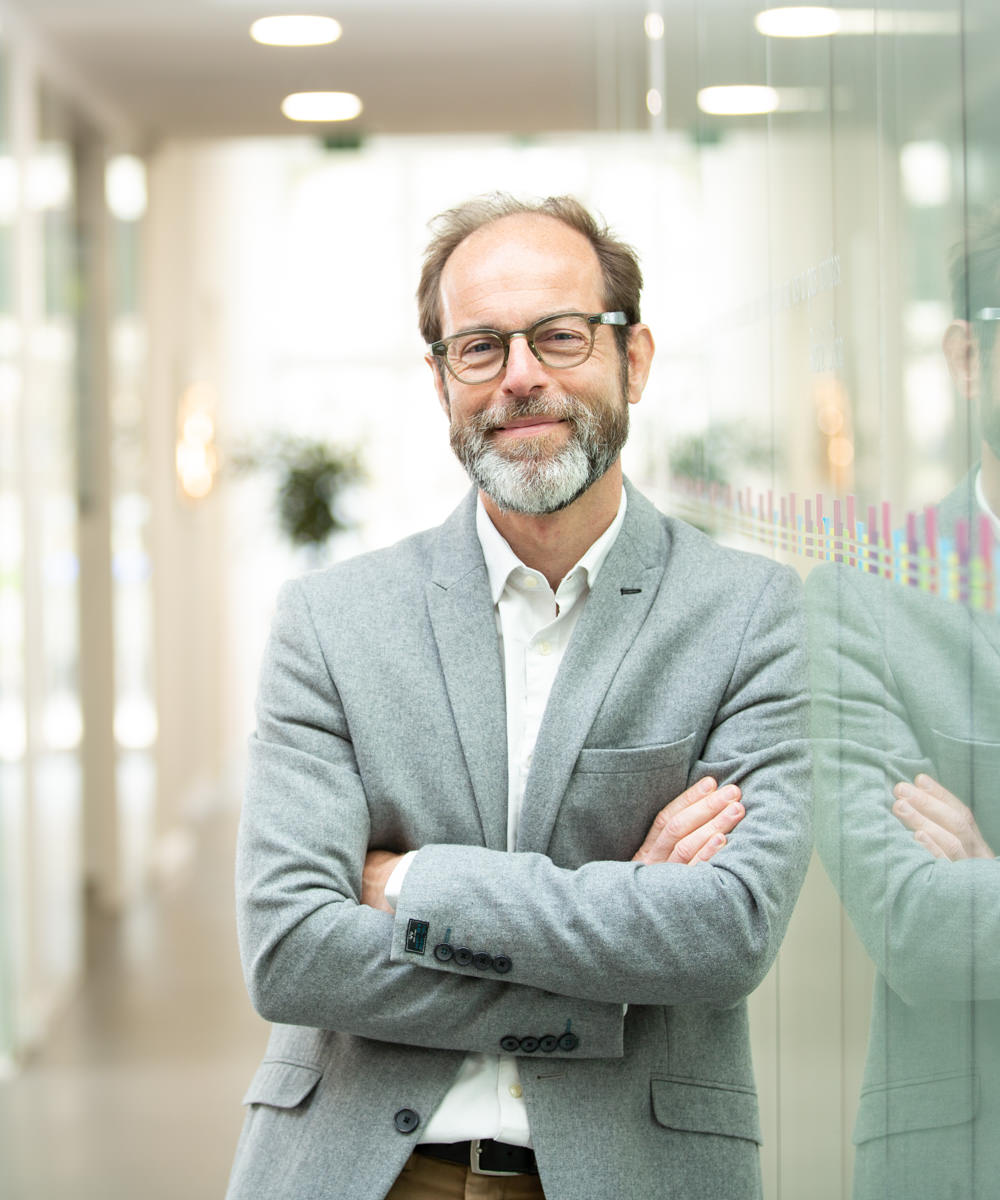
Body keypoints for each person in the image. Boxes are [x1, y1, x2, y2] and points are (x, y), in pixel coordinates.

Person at [229, 194, 813, 1200]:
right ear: (441, 380)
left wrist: (413, 887)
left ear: (633, 359)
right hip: (364, 1169)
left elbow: (726, 932)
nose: (521, 377)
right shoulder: (331, 621)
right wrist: (611, 982)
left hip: (635, 1168)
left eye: (559, 335)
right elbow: (290, 953)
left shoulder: (750, 615)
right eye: (480, 348)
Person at [807, 191, 1000, 1199]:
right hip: (990, 1165)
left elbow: (977, 920)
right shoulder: (868, 602)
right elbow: (923, 928)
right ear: (968, 358)